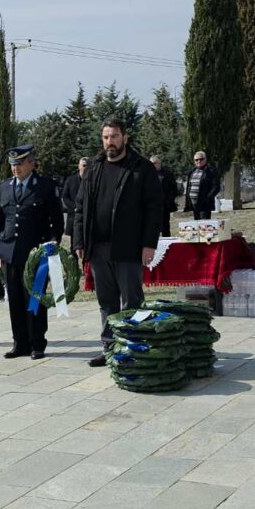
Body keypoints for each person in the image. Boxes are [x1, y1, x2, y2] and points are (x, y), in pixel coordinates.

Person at [74, 118, 163, 367]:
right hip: (98, 249)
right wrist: (79, 241)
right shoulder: (94, 169)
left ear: (125, 138)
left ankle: (132, 348)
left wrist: (149, 244)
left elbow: (154, 209)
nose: (109, 142)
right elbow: (80, 208)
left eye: (114, 136)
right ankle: (110, 349)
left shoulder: (141, 168)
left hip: (128, 248)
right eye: (105, 137)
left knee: (131, 302)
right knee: (106, 302)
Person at [0, 145, 64, 360]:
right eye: (12, 165)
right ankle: (20, 342)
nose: (15, 168)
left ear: (31, 163)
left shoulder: (45, 186)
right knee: (15, 299)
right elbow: (1, 221)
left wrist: (52, 243)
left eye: (19, 164)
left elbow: (56, 220)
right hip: (10, 252)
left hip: (35, 252)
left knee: (33, 298)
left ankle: (37, 342)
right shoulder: (5, 186)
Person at [183, 151, 220, 220]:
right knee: (196, 224)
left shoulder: (211, 171)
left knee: (204, 224)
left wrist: (207, 198)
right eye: (196, 160)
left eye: (201, 159)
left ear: (205, 159)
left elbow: (216, 187)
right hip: (194, 204)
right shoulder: (192, 171)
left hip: (204, 205)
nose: (199, 161)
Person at [60, 157, 87, 246]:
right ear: (79, 166)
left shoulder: (93, 180)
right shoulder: (71, 180)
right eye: (84, 165)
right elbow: (65, 196)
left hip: (88, 218)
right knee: (74, 246)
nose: (86, 168)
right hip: (74, 217)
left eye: (88, 166)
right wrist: (74, 207)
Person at [151, 155, 179, 236]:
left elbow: (174, 189)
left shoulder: (167, 174)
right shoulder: (147, 174)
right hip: (151, 207)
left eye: (154, 163)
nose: (152, 165)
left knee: (165, 227)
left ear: (160, 163)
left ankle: (167, 243)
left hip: (164, 206)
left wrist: (168, 201)